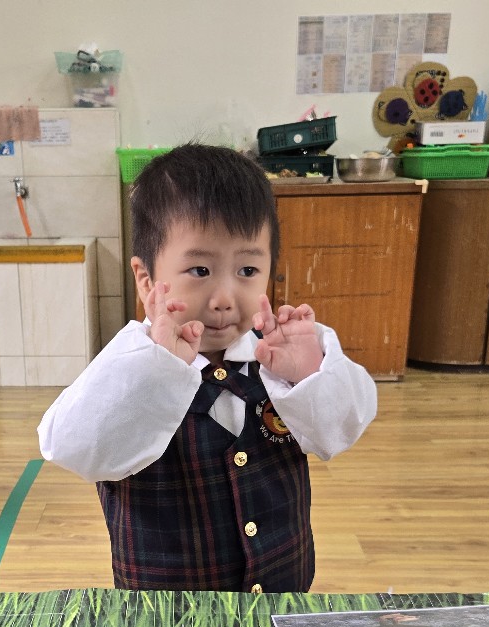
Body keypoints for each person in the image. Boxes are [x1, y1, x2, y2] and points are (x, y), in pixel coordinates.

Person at [38, 143, 377, 593]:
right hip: (167, 611)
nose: (223, 298)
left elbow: (342, 428)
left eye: (248, 270)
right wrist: (157, 370)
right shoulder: (130, 365)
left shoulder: (280, 357)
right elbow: (71, 447)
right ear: (147, 281)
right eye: (199, 270)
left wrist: (312, 375)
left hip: (280, 591)